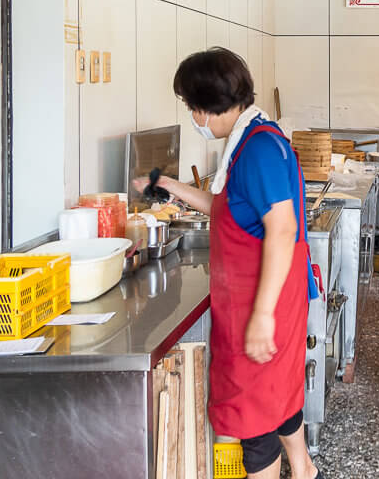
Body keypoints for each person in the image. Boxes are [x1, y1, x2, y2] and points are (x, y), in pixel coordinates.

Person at [134, 48, 319, 479]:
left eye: (190, 108)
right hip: (267, 300)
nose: (193, 117)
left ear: (202, 108)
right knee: (277, 397)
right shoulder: (254, 138)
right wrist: (167, 185)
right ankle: (305, 469)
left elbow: (282, 229)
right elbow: (225, 206)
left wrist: (261, 316)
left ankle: (297, 467)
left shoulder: (257, 152)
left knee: (254, 425)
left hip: (260, 303)